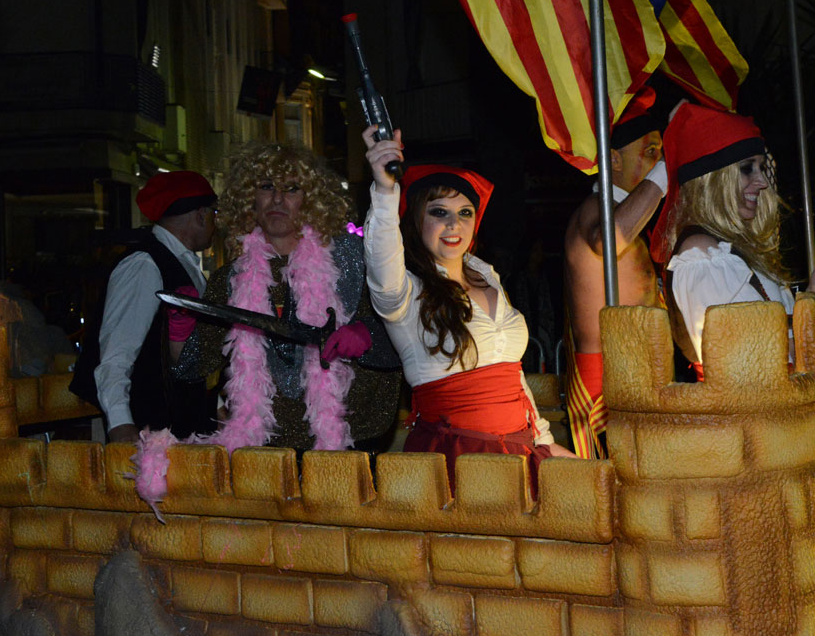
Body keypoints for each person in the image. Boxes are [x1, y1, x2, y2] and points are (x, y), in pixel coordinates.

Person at [362, 127, 576, 496]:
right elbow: (381, 258)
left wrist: (544, 441)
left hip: (521, 453)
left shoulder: (487, 276)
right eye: (439, 212)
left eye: (464, 212)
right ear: (415, 221)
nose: (453, 224)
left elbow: (514, 378)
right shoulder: (404, 292)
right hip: (455, 462)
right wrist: (384, 191)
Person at [169, 141, 402, 452]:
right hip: (265, 450)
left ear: (311, 200)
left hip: (349, 441)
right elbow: (190, 367)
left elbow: (403, 339)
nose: (277, 199)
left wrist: (368, 334)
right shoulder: (230, 279)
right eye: (266, 186)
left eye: (292, 189)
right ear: (250, 197)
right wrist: (179, 329)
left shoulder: (350, 262)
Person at [651, 104, 815, 377]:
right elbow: (755, 364)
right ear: (713, 179)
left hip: (767, 414)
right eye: (747, 168)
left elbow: (780, 342)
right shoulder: (702, 255)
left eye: (761, 168)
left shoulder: (726, 251)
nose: (762, 181)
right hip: (744, 419)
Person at [73, 170, 218, 443]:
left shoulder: (185, 263)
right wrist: (120, 423)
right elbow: (116, 354)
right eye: (214, 214)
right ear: (201, 214)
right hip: (148, 428)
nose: (215, 223)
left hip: (181, 427)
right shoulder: (144, 265)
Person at [562, 86, 666, 457]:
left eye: (662, 154)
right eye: (650, 153)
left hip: (639, 365)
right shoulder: (595, 207)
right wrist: (662, 179)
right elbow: (608, 243)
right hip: (604, 372)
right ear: (614, 160)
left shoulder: (636, 215)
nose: (658, 161)